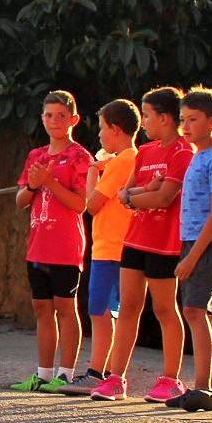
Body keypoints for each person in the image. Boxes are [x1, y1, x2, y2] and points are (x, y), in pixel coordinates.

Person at [93, 87, 192, 403]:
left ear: (164, 118)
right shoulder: (145, 152)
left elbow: (165, 197)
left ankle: (170, 379)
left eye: (147, 115)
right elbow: (126, 193)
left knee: (164, 308)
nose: (144, 122)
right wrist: (140, 194)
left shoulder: (182, 152)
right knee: (128, 307)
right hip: (135, 239)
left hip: (164, 243)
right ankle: (115, 378)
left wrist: (138, 196)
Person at [10, 91, 91, 391]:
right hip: (38, 245)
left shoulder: (81, 157)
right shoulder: (36, 155)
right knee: (42, 308)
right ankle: (43, 374)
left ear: (74, 119)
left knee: (65, 308)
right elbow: (20, 200)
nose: (54, 121)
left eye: (60, 115)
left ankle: (66, 373)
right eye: (48, 115)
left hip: (66, 247)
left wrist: (50, 182)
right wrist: (33, 185)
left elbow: (80, 204)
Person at [59, 99, 139, 395]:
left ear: (116, 130)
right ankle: (106, 372)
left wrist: (93, 173)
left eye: (103, 128)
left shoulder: (122, 160)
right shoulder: (127, 158)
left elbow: (91, 205)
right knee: (106, 310)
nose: (101, 135)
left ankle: (98, 372)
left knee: (100, 310)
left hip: (112, 248)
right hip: (114, 246)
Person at [169, 88, 212, 412]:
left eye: (192, 120)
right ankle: (200, 385)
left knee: (197, 311)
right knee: (194, 310)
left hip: (210, 245)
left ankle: (204, 386)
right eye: (183, 120)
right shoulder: (197, 156)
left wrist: (193, 256)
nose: (186, 126)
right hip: (192, 243)